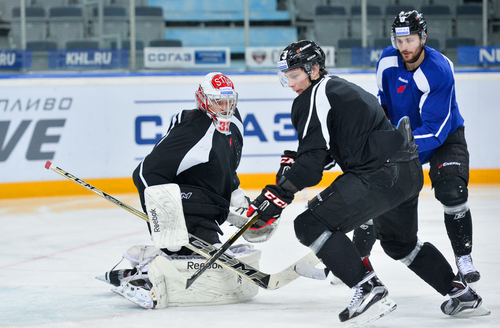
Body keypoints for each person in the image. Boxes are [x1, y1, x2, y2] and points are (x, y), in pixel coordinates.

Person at [246, 40, 487, 326]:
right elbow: (327, 154)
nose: (291, 83)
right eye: (286, 76)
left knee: (308, 224)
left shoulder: (312, 97)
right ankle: (461, 293)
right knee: (401, 244)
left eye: (295, 75)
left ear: (313, 69)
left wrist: (276, 195)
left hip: (380, 173)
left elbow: (311, 167)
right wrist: (296, 169)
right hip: (406, 171)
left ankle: (368, 288)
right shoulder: (337, 87)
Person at [96, 72, 259, 308]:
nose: (225, 108)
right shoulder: (194, 128)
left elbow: (226, 166)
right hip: (189, 207)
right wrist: (165, 224)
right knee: (196, 255)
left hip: (210, 207)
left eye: (229, 101)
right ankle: (157, 263)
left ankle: (152, 257)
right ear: (202, 100)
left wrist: (237, 198)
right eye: (218, 102)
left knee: (199, 253)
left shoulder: (235, 123)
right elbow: (144, 173)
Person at [353, 10, 480, 284]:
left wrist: (390, 146)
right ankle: (355, 259)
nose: (404, 48)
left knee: (452, 191)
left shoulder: (439, 70)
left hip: (445, 138)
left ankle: (463, 258)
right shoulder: (387, 61)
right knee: (375, 191)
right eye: (399, 41)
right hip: (401, 140)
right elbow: (383, 104)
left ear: (423, 37)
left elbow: (435, 131)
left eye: (410, 40)